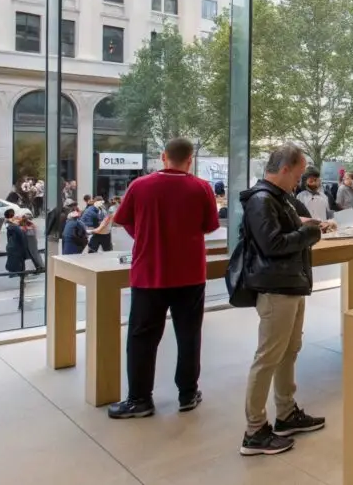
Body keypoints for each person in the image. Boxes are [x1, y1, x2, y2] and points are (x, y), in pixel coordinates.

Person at [107, 137, 220, 419]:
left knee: (142, 337)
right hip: (190, 274)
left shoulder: (140, 185)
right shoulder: (202, 187)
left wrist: (144, 234)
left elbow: (123, 219)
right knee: (189, 335)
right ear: (190, 160)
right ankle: (188, 393)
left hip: (149, 273)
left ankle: (140, 399)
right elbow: (209, 226)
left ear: (163, 156)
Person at [240, 143, 327, 457]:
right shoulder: (262, 200)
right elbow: (272, 244)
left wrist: (305, 227)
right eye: (299, 174)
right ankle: (254, 431)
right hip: (277, 288)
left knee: (289, 351)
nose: (300, 181)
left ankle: (286, 413)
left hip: (290, 285)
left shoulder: (278, 199)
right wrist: (310, 234)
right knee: (268, 357)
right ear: (286, 168)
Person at [4, 210, 45, 275]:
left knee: (33, 253)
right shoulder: (15, 222)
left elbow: (27, 228)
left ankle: (40, 267)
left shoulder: (16, 222)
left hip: (29, 238)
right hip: (28, 238)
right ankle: (38, 267)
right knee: (32, 253)